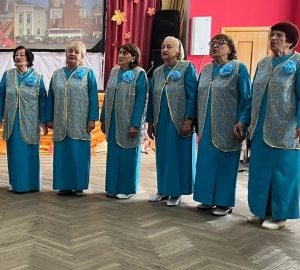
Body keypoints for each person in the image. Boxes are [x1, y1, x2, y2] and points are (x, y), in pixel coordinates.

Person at [246, 22, 300, 230]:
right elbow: (252, 96)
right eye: (272, 35)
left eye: (279, 35)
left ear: (290, 41)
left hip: (287, 130)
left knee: (283, 174)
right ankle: (260, 211)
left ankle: (279, 215)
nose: (274, 39)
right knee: (259, 172)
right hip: (260, 128)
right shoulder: (263, 63)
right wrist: (244, 120)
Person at [193, 34, 251, 216]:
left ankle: (224, 202)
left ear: (230, 48)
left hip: (228, 125)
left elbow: (247, 99)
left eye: (220, 43)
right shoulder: (206, 69)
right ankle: (206, 198)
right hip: (205, 124)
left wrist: (243, 121)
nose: (214, 46)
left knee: (225, 163)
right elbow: (197, 96)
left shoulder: (239, 68)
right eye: (212, 43)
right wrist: (195, 120)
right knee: (206, 162)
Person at [146, 36, 198, 207]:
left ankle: (176, 192)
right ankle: (163, 189)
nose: (164, 50)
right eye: (163, 47)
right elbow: (152, 99)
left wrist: (189, 119)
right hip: (161, 121)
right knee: (163, 156)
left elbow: (193, 95)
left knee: (178, 156)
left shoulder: (187, 67)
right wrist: (150, 122)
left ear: (178, 50)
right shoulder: (157, 72)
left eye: (169, 47)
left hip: (180, 121)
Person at [46, 41, 99, 195]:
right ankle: (63, 185)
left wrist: (92, 119)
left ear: (82, 56)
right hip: (60, 122)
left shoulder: (88, 73)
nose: (72, 54)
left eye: (76, 52)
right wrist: (49, 118)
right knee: (62, 155)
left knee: (79, 154)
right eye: (70, 51)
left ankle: (78, 185)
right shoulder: (57, 74)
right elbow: (51, 98)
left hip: (80, 123)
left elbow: (93, 98)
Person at [0, 46, 48, 193]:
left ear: (28, 59)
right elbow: (1, 97)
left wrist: (42, 121)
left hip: (31, 122)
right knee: (15, 153)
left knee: (30, 153)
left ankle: (32, 184)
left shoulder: (37, 77)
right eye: (16, 55)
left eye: (22, 55)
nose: (18, 57)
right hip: (12, 121)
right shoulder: (8, 75)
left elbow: (43, 100)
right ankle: (16, 183)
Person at [100, 43, 148, 199]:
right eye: (119, 52)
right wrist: (103, 119)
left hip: (129, 122)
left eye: (124, 53)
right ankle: (112, 187)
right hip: (113, 121)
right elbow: (108, 96)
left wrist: (136, 124)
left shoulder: (139, 74)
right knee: (114, 155)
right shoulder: (114, 71)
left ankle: (127, 189)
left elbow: (141, 101)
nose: (120, 55)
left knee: (128, 155)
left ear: (133, 57)